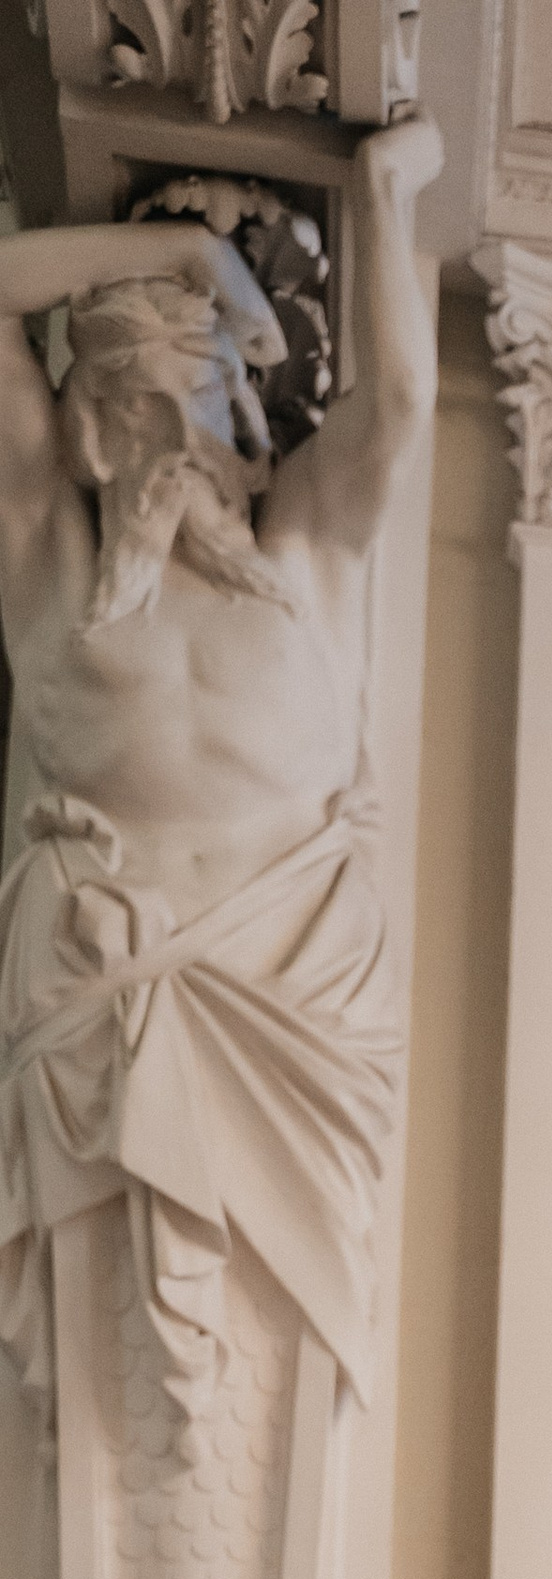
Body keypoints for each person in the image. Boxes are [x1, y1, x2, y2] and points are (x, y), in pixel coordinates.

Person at [0, 122, 443, 1441]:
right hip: (101, 1001)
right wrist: (179, 250)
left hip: (292, 1006)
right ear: (82, 438)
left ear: (247, 425)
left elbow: (407, 406)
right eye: (122, 404)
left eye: (186, 395)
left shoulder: (307, 548)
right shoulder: (52, 570)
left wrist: (384, 205)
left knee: (273, 1391)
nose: (155, 436)